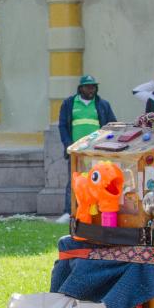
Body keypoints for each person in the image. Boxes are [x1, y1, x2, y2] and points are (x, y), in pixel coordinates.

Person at [57, 75, 116, 220]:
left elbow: (112, 125)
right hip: (76, 150)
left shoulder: (103, 104)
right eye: (88, 86)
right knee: (74, 179)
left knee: (99, 180)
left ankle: (99, 209)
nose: (91, 89)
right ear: (81, 88)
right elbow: (63, 126)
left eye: (93, 86)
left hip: (97, 151)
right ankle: (69, 211)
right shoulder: (69, 103)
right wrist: (67, 144)